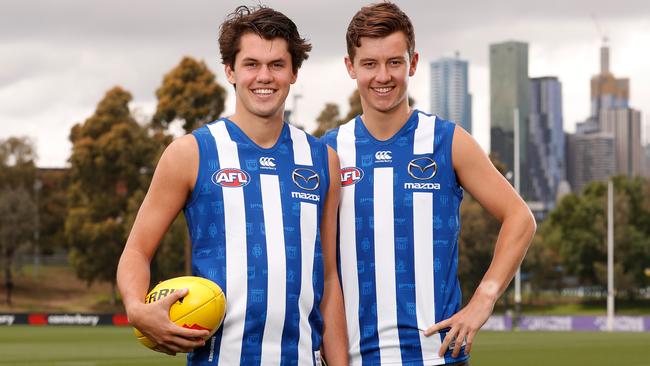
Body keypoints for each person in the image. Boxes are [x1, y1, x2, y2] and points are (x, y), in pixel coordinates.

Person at [117, 5, 348, 365]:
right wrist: (135, 308)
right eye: (251, 64)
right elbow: (136, 252)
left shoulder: (323, 160)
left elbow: (330, 281)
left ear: (294, 73)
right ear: (230, 71)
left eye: (276, 65)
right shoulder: (191, 153)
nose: (264, 77)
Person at [321, 2, 536, 365]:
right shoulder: (328, 151)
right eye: (369, 63)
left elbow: (520, 217)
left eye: (394, 62)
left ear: (413, 63)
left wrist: (484, 298)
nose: (383, 76)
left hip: (438, 358)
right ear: (350, 67)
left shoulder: (448, 141)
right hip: (356, 359)